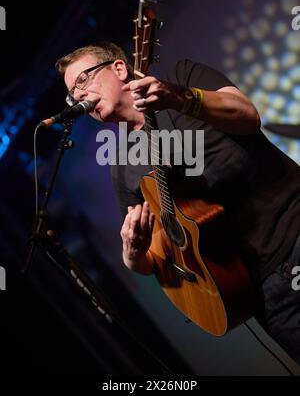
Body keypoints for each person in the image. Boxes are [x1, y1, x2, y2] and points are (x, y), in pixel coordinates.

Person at [55, 41, 300, 366]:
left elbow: (248, 115)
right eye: (72, 93)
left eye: (82, 81)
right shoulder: (123, 165)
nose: (79, 96)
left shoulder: (183, 76)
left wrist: (182, 98)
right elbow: (151, 260)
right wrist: (133, 254)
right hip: (262, 290)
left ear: (119, 68)